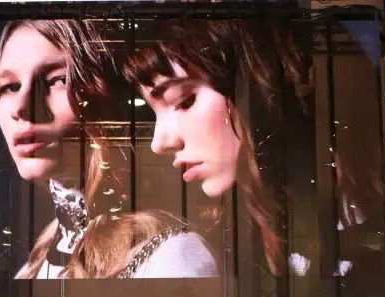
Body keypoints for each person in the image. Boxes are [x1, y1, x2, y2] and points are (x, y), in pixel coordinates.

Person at [0, 19, 217, 279]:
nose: (21, 107)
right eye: (10, 87)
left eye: (58, 80)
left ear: (106, 94)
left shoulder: (171, 259)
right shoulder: (33, 267)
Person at [123, 19, 312, 276]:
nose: (159, 143)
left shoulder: (330, 216)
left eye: (185, 101)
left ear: (251, 89)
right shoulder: (221, 236)